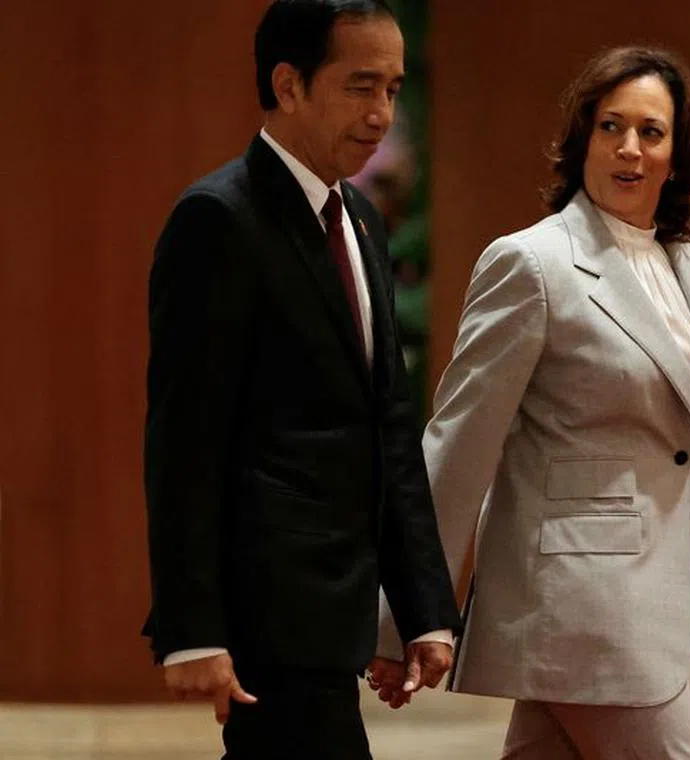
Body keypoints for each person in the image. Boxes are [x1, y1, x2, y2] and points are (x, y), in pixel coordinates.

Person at [374, 46, 690, 758]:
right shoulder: (532, 263)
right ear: (582, 138)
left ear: (677, 154)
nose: (629, 148)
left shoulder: (685, 261)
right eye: (610, 126)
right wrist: (406, 614)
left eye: (651, 131)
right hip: (584, 607)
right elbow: (458, 442)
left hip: (618, 609)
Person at [141, 2, 460, 757]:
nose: (383, 113)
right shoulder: (218, 219)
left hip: (340, 609)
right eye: (360, 87)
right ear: (288, 85)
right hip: (269, 615)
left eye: (393, 88)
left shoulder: (362, 220)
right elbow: (185, 438)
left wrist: (423, 610)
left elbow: (388, 421)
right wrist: (192, 631)